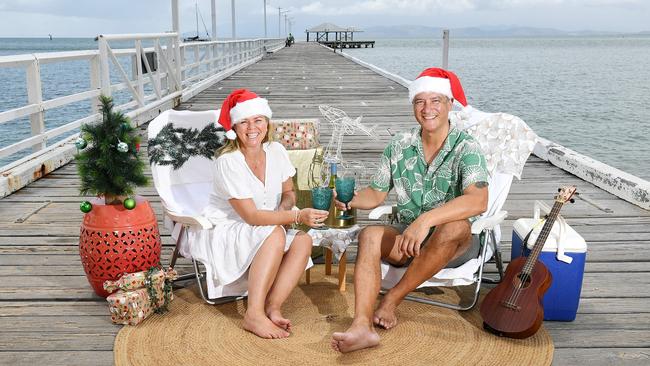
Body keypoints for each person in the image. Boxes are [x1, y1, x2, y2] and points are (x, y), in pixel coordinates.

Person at [330, 68, 489, 352]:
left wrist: (425, 221)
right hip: (406, 239)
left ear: (450, 104)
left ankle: (392, 298)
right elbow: (377, 194)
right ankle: (361, 326)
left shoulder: (467, 147)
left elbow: (478, 201)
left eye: (436, 101)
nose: (428, 109)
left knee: (454, 226)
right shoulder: (399, 145)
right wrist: (351, 200)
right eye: (420, 102)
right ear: (413, 106)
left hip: (453, 243)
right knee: (369, 235)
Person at [195, 89, 329, 339]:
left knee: (304, 241)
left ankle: (273, 307)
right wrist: (297, 217)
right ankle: (253, 314)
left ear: (267, 123)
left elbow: (289, 192)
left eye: (258, 120)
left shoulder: (276, 151)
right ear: (234, 126)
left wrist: (284, 209)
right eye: (244, 121)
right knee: (276, 234)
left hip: (268, 223)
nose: (252, 127)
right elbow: (251, 217)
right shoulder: (229, 161)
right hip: (230, 227)